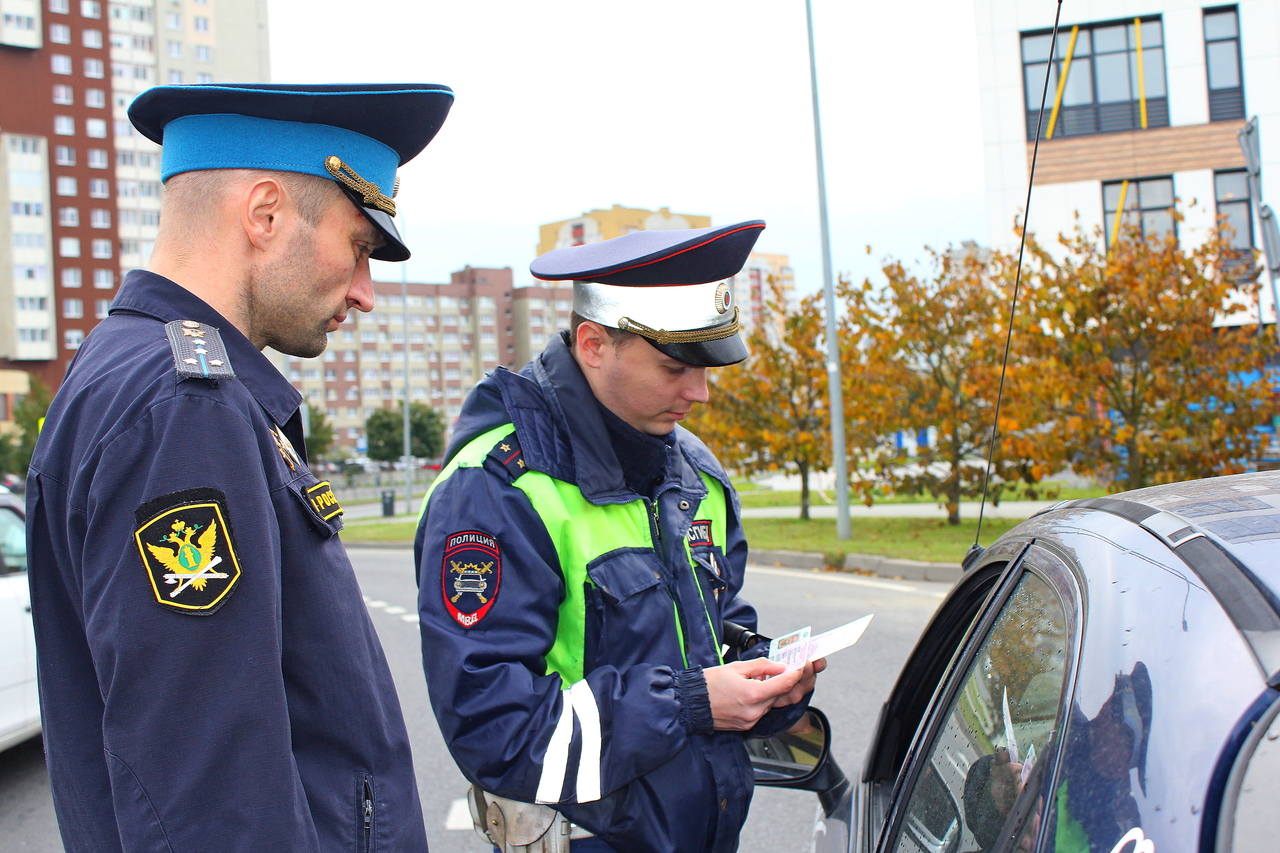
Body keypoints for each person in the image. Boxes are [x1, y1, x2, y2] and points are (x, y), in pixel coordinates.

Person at [25, 83, 453, 853]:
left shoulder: (127, 371)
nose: (364, 293)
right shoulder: (183, 409)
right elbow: (212, 796)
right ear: (264, 214)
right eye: (359, 246)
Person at [414, 221, 824, 853]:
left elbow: (717, 632)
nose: (700, 394)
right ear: (594, 344)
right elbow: (493, 729)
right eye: (673, 368)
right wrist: (690, 702)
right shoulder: (496, 491)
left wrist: (767, 673)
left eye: (708, 367)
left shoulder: (695, 474)